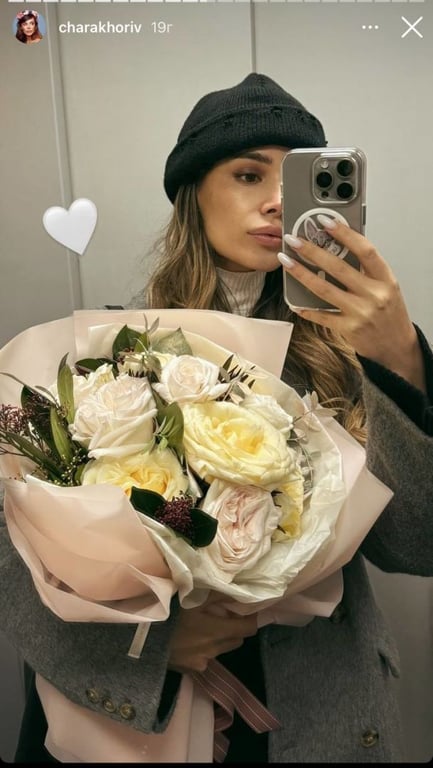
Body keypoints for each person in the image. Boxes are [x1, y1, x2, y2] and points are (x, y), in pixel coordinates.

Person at [1, 73, 433, 764]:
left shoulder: (346, 360)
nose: (276, 201)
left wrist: (398, 360)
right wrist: (151, 642)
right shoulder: (113, 356)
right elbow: (23, 559)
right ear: (191, 195)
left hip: (317, 708)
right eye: (247, 174)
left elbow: (416, 546)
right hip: (159, 716)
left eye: (296, 182)